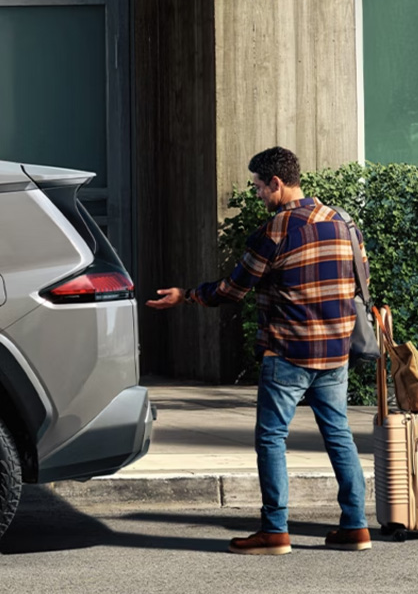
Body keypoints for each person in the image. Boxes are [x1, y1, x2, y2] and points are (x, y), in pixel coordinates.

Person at [147, 146, 370, 556]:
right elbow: (360, 281)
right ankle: (356, 527)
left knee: (271, 438)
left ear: (277, 184)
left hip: (288, 350)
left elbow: (234, 288)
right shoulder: (344, 221)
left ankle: (275, 530)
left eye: (258, 188)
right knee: (339, 436)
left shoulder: (278, 229)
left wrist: (186, 296)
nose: (257, 196)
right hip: (336, 351)